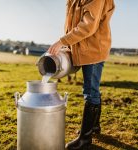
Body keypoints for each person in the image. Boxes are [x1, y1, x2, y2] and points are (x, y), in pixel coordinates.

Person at [48, 0, 115, 149]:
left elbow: (88, 26)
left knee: (90, 92)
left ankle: (85, 139)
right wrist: (67, 44)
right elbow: (71, 22)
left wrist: (62, 41)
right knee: (93, 89)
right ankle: (94, 127)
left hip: (93, 49)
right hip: (84, 48)